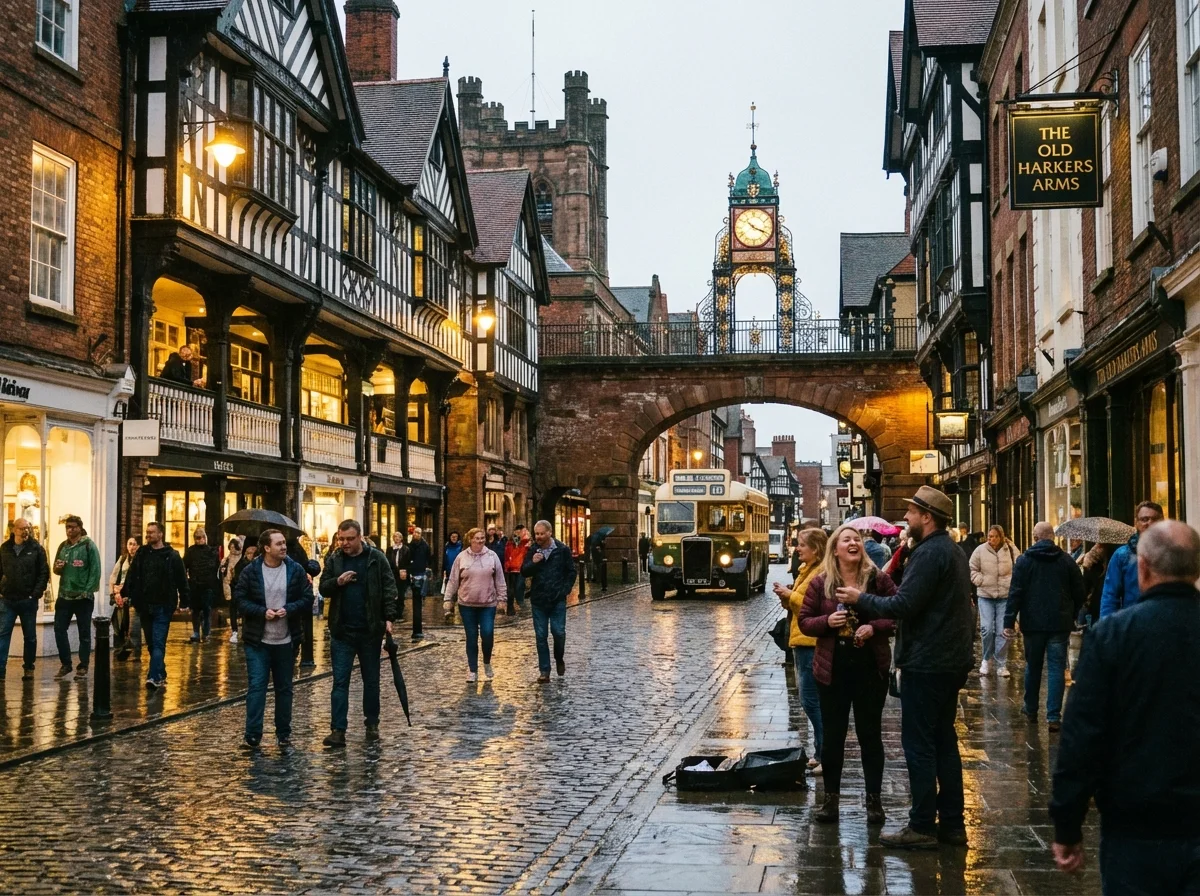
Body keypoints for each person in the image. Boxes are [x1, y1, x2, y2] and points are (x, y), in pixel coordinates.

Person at [1049, 520, 1200, 895]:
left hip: (1136, 825)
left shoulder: (1113, 636)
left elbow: (1082, 737)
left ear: (1143, 568)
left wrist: (1068, 825)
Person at [837, 486, 974, 849]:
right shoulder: (952, 551)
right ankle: (954, 824)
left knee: (920, 744)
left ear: (927, 517)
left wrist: (860, 599)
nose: (907, 518)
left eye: (912, 512)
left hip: (929, 662)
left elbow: (905, 603)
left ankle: (922, 825)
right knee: (945, 741)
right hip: (949, 660)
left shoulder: (930, 553)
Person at [800, 525, 897, 825]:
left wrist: (875, 627)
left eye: (857, 539)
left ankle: (874, 802)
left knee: (870, 735)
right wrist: (827, 621)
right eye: (846, 540)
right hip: (833, 668)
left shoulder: (877, 579)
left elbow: (897, 613)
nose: (853, 543)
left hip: (870, 667)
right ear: (835, 549)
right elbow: (804, 622)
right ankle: (831, 801)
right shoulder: (821, 583)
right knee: (833, 737)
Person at [317, 519, 398, 747]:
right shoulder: (334, 559)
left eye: (349, 539)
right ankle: (337, 730)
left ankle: (371, 723)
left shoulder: (376, 558)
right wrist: (337, 582)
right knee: (340, 681)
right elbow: (323, 587)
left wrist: (389, 618)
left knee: (371, 681)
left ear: (360, 537)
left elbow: (389, 587)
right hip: (342, 631)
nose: (344, 543)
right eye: (341, 539)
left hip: (370, 630)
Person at [234, 529, 313, 750]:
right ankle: (252, 735)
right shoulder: (251, 571)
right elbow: (240, 598)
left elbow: (307, 597)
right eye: (278, 544)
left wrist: (289, 609)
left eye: (284, 543)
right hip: (258, 640)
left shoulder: (295, 569)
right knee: (257, 686)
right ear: (266, 548)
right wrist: (262, 612)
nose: (283, 547)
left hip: (286, 640)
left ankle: (284, 733)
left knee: (284, 687)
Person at [1003, 522, 1085, 732]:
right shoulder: (1067, 561)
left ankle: (1031, 709)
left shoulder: (1024, 561)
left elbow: (1016, 592)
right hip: (1059, 623)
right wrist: (1072, 613)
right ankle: (1053, 716)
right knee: (1057, 667)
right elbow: (1079, 592)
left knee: (1034, 666)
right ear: (1053, 537)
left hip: (1033, 624)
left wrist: (1009, 620)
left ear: (1036, 538)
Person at [773, 528, 828, 774]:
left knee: (811, 700)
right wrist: (786, 596)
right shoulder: (807, 570)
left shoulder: (820, 571)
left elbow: (809, 605)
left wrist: (790, 595)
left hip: (810, 642)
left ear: (815, 549)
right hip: (801, 640)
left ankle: (825, 753)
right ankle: (820, 752)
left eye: (802, 545)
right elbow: (798, 604)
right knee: (809, 699)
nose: (798, 548)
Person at [121, 520, 189, 690]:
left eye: (151, 532)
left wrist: (185, 601)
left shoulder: (172, 555)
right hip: (144, 606)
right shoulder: (142, 553)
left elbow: (182, 580)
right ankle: (160, 673)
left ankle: (153, 677)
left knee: (158, 642)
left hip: (164, 606)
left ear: (160, 534)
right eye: (147, 532)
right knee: (151, 644)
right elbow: (132, 574)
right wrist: (124, 593)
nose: (148, 535)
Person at [443, 527, 507, 682]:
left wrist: (502, 599)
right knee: (471, 637)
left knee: (487, 634)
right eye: (477, 538)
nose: (480, 541)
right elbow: (453, 580)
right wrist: (447, 599)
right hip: (467, 604)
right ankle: (472, 669)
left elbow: (499, 579)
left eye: (482, 538)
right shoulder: (461, 557)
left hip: (487, 604)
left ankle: (486, 662)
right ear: (470, 540)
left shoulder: (492, 556)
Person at [521, 520, 577, 683]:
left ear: (549, 533)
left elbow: (571, 572)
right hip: (538, 600)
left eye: (541, 533)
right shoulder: (533, 550)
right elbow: (524, 571)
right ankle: (544, 670)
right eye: (536, 533)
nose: (538, 536)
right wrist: (534, 562)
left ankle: (559, 658)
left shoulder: (562, 550)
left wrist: (565, 590)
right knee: (541, 636)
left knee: (558, 632)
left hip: (557, 599)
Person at [51, 515, 102, 679]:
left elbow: (95, 570)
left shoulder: (88, 545)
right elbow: (55, 569)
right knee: (59, 629)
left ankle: (83, 665)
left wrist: (88, 591)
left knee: (84, 633)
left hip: (83, 598)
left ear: (80, 528)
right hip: (64, 595)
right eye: (67, 527)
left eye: (73, 527)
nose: (69, 530)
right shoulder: (63, 547)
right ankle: (66, 664)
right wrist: (58, 568)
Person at [0, 519, 50, 681]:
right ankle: (1, 669)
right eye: (22, 528)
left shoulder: (37, 549)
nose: (25, 531)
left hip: (28, 600)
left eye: (28, 528)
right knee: (3, 634)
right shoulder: (5, 548)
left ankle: (28, 667)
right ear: (14, 530)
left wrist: (35, 594)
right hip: (8, 600)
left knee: (30, 636)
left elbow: (43, 573)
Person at [1099, 501, 1164, 618]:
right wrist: (1108, 629)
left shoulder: (1171, 552)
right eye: (1144, 519)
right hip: (1133, 623)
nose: (1149, 523)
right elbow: (1110, 597)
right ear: (1136, 523)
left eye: (1154, 519)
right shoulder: (1122, 555)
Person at [969, 525, 1019, 678]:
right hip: (986, 595)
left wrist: (1012, 583)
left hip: (1005, 595)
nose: (991, 539)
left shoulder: (1010, 549)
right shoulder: (980, 550)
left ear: (1001, 537)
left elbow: (1020, 566)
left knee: (1002, 630)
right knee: (986, 628)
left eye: (994, 536)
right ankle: (986, 658)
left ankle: (1001, 663)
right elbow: (972, 568)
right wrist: (980, 580)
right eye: (989, 536)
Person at [184, 527, 220, 643]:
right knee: (195, 610)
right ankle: (196, 631)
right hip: (195, 584)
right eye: (198, 537)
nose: (200, 539)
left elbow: (215, 567)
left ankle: (206, 632)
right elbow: (184, 566)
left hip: (207, 585)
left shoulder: (211, 551)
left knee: (206, 610)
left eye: (202, 537)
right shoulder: (190, 551)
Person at [110, 536, 140, 661]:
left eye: (134, 544)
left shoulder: (140, 560)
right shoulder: (123, 559)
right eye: (129, 544)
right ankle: (121, 649)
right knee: (119, 624)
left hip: (132, 596)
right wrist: (114, 594)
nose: (131, 547)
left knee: (133, 626)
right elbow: (113, 576)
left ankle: (135, 653)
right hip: (120, 594)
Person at [406, 527, 432, 642]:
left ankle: (418, 630)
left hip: (421, 574)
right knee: (416, 601)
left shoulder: (425, 546)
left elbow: (428, 558)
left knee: (419, 600)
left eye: (419, 533)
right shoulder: (409, 547)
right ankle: (416, 630)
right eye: (415, 532)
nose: (416, 534)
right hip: (413, 574)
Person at [1078, 542, 1113, 628]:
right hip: (1098, 604)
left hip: (1097, 604)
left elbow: (1085, 588)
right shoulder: (1110, 558)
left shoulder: (1090, 562)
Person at [220, 537, 243, 642]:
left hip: (240, 587)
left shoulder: (241, 559)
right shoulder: (226, 559)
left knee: (241, 609)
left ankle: (240, 631)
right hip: (231, 587)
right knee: (232, 610)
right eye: (231, 547)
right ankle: (234, 631)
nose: (232, 549)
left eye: (234, 547)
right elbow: (224, 577)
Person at [503, 525, 530, 615]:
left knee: (519, 586)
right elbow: (507, 554)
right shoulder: (510, 542)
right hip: (511, 568)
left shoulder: (526, 543)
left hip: (521, 568)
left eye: (521, 531)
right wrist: (507, 565)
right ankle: (511, 607)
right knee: (511, 589)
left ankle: (520, 602)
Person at [386, 531, 410, 622]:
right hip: (393, 574)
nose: (396, 539)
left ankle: (399, 614)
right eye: (395, 537)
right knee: (392, 594)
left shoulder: (406, 549)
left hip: (402, 574)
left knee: (401, 594)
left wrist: (405, 571)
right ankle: (393, 614)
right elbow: (388, 562)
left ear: (401, 538)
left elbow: (407, 562)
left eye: (398, 537)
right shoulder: (390, 549)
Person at [441, 531, 463, 597]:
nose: (454, 538)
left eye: (455, 537)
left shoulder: (461, 547)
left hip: (459, 571)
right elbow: (444, 559)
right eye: (452, 537)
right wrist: (444, 570)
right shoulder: (447, 547)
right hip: (449, 571)